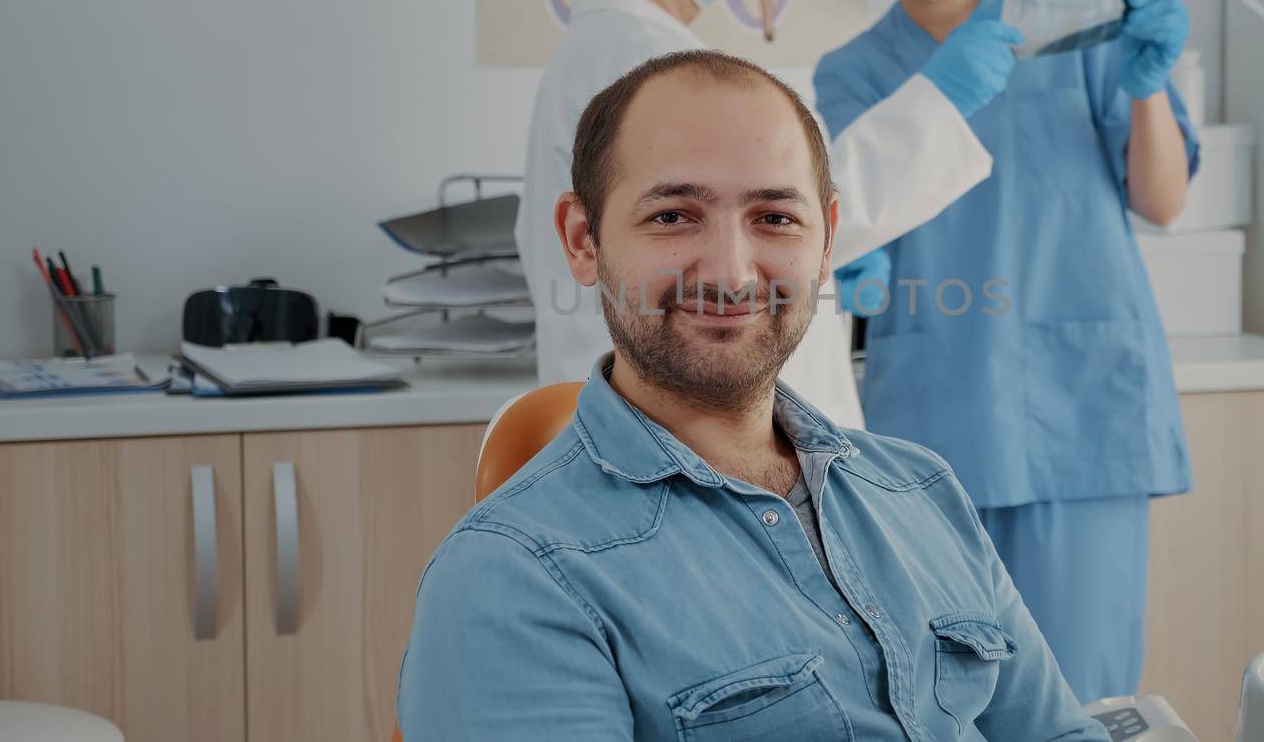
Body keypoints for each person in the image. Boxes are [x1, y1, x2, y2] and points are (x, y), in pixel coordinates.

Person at [398, 50, 1111, 742]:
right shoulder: (511, 580)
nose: (732, 273)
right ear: (583, 241)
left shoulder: (920, 491)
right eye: (674, 216)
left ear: (828, 241)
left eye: (774, 218)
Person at [812, 0, 1201, 703]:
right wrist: (855, 258)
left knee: (1085, 694)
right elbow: (850, 219)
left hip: (1084, 405)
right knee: (948, 696)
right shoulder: (850, 73)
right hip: (938, 410)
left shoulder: (1072, 6)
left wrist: (1148, 84)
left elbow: (1163, 201)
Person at [518, 0, 1026, 427]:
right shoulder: (645, 64)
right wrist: (941, 99)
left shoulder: (613, 51)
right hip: (688, 429)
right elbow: (781, 211)